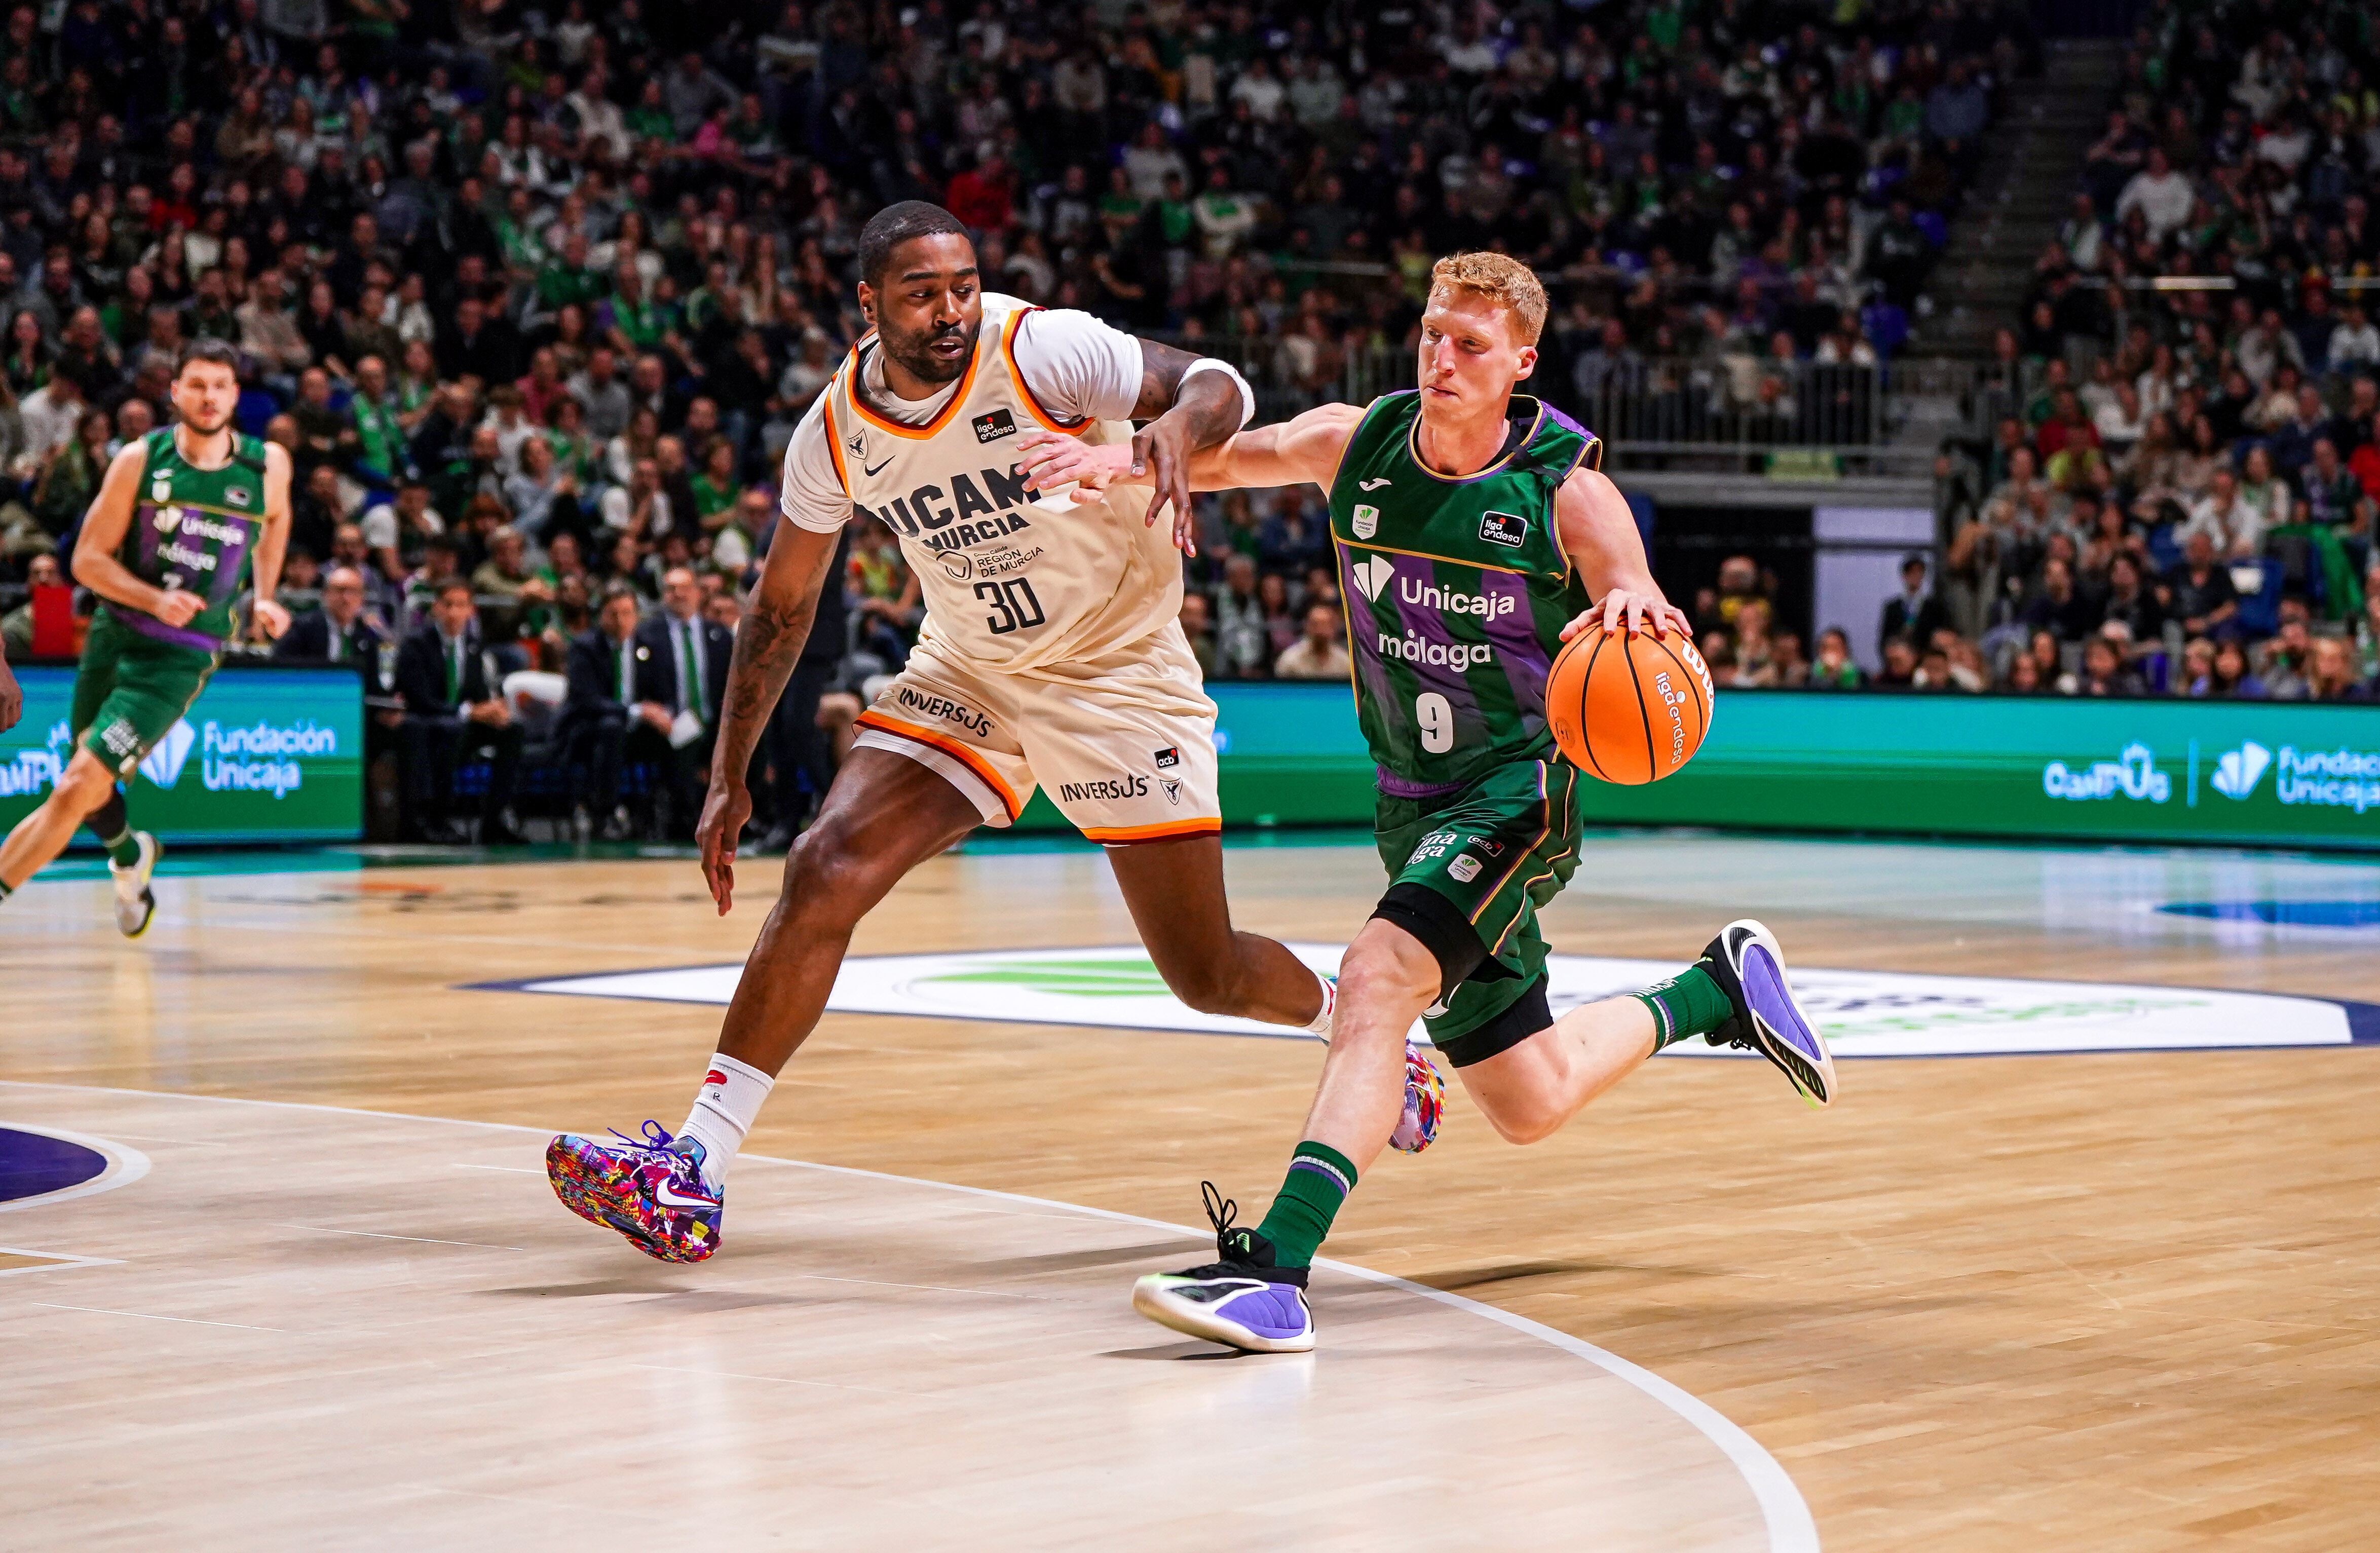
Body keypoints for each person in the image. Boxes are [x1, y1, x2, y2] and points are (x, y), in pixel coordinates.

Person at [1027, 251, 1835, 1353]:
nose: (1441, 357)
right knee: (1527, 1094)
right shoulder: (1349, 440)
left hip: (1514, 797)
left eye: (1467, 343)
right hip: (1410, 802)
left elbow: (1628, 583)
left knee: (1373, 981)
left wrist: (1640, 607)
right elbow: (1219, 464)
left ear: (1520, 362)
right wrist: (1106, 459)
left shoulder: (1565, 488)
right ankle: (1714, 988)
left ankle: (1272, 1267)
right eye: (1430, 334)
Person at [544, 202, 1355, 1264]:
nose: (951, 310)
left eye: (963, 285)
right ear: (868, 303)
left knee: (1203, 974)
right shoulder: (835, 430)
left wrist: (1172, 426)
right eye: (923, 293)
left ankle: (1354, 1023)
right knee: (823, 863)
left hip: (1112, 674)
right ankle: (693, 1167)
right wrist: (727, 773)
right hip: (970, 667)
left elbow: (1218, 382)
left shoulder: (1038, 348)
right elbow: (780, 605)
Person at [0, 340, 293, 934]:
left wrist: (265, 593)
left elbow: (276, 519)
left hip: (178, 658)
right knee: (85, 790)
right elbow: (86, 560)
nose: (209, 397)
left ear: (235, 395)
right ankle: (132, 856)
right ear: (175, 391)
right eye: (197, 384)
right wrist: (154, 597)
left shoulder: (268, 466)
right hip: (115, 636)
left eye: (220, 385)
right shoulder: (141, 459)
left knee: (75, 785)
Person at [392, 577, 525, 845]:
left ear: (471, 611)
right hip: (429, 724)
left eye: (461, 605)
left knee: (512, 730)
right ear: (436, 609)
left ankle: (493, 821)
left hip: (463, 726)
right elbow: (421, 700)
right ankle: (436, 819)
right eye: (448, 605)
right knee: (451, 728)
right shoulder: (416, 646)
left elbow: (480, 696)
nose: (454, 612)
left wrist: (495, 709)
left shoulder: (476, 647)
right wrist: (470, 712)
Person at [631, 563, 734, 838]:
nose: (678, 594)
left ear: (698, 593)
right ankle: (687, 824)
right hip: (673, 720)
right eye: (671, 589)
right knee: (684, 740)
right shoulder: (648, 635)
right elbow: (641, 687)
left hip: (717, 721)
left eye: (685, 588)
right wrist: (652, 710)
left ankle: (749, 821)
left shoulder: (720, 635)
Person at [561, 582, 643, 839]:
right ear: (601, 616)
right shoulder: (584, 647)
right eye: (613, 614)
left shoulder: (648, 646)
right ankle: (603, 813)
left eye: (627, 613)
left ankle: (682, 813)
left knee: (682, 732)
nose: (621, 621)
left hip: (634, 727)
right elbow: (587, 700)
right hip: (587, 728)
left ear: (637, 616)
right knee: (611, 728)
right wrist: (635, 711)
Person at [273, 563, 388, 668]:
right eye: (340, 590)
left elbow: (372, 685)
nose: (346, 598)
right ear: (326, 594)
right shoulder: (302, 628)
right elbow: (281, 668)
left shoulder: (366, 635)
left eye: (354, 591)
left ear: (362, 598)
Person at [1272, 599, 1351, 678]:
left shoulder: (1345, 663)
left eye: (1325, 625)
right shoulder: (1290, 660)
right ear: (1307, 627)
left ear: (1334, 628)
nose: (1320, 631)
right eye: (1315, 625)